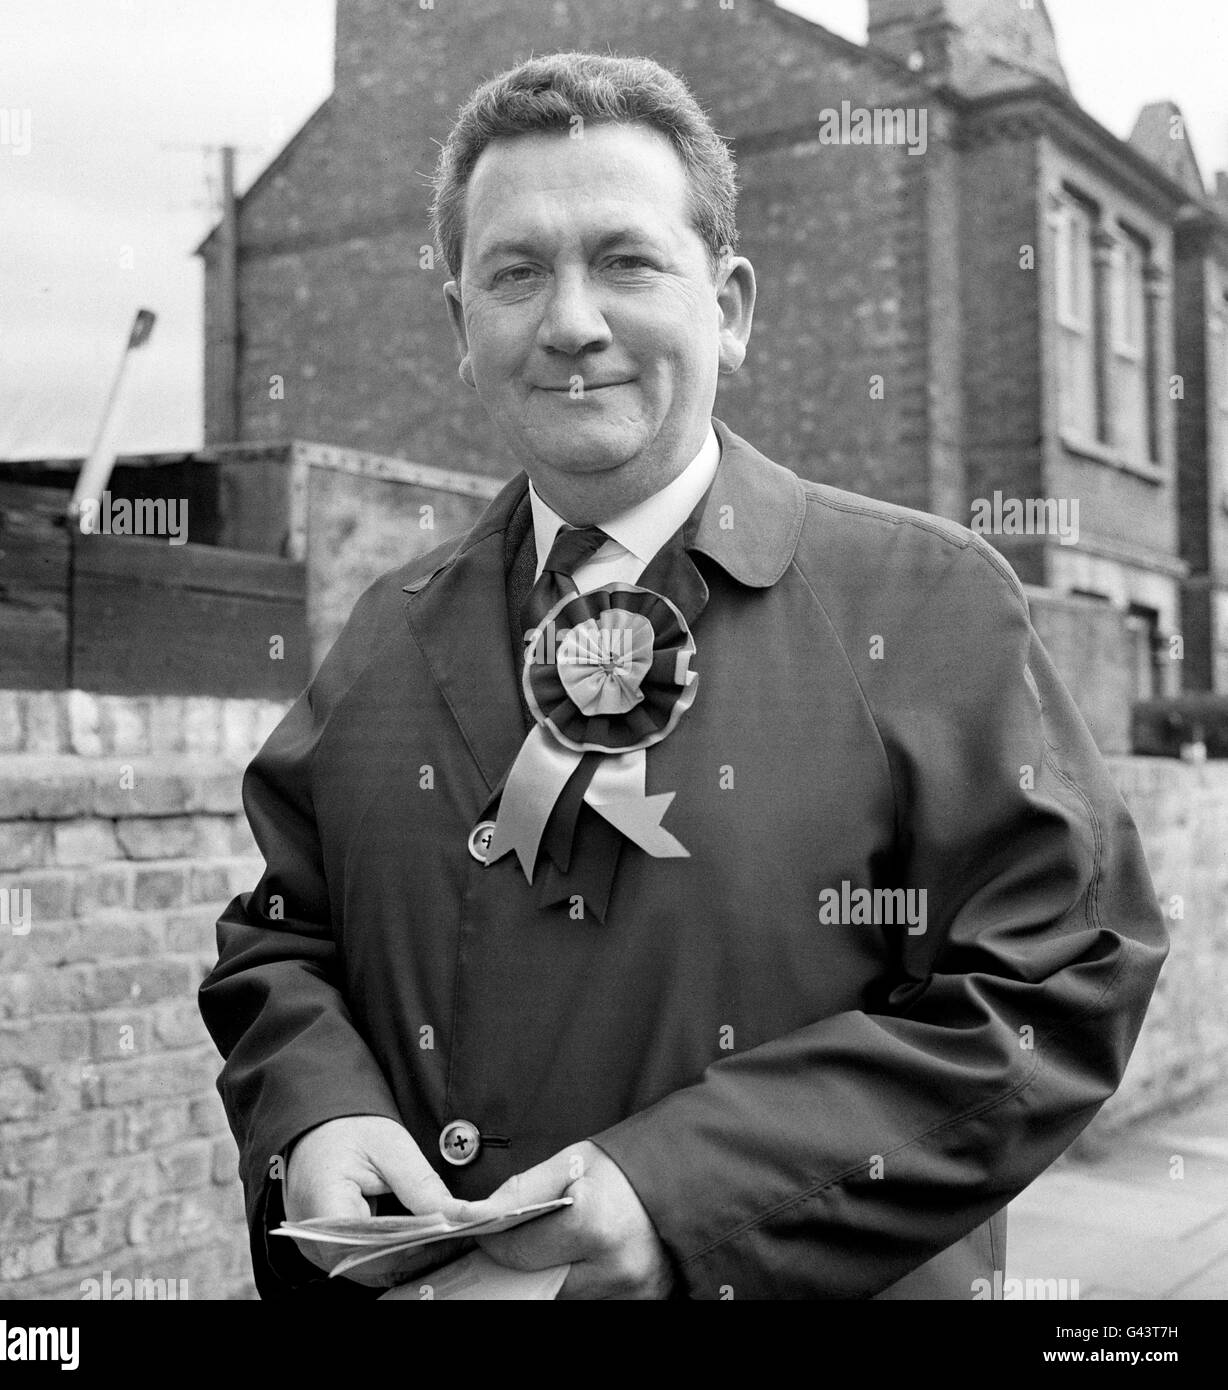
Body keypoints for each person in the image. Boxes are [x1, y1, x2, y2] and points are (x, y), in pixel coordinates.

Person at [198, 51, 1168, 1300]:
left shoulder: (924, 601)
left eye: (625, 259)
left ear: (732, 305)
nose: (570, 321)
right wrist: (318, 1115)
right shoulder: (387, 627)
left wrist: (674, 1198)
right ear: (461, 327)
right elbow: (279, 942)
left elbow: (1056, 979)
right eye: (514, 272)